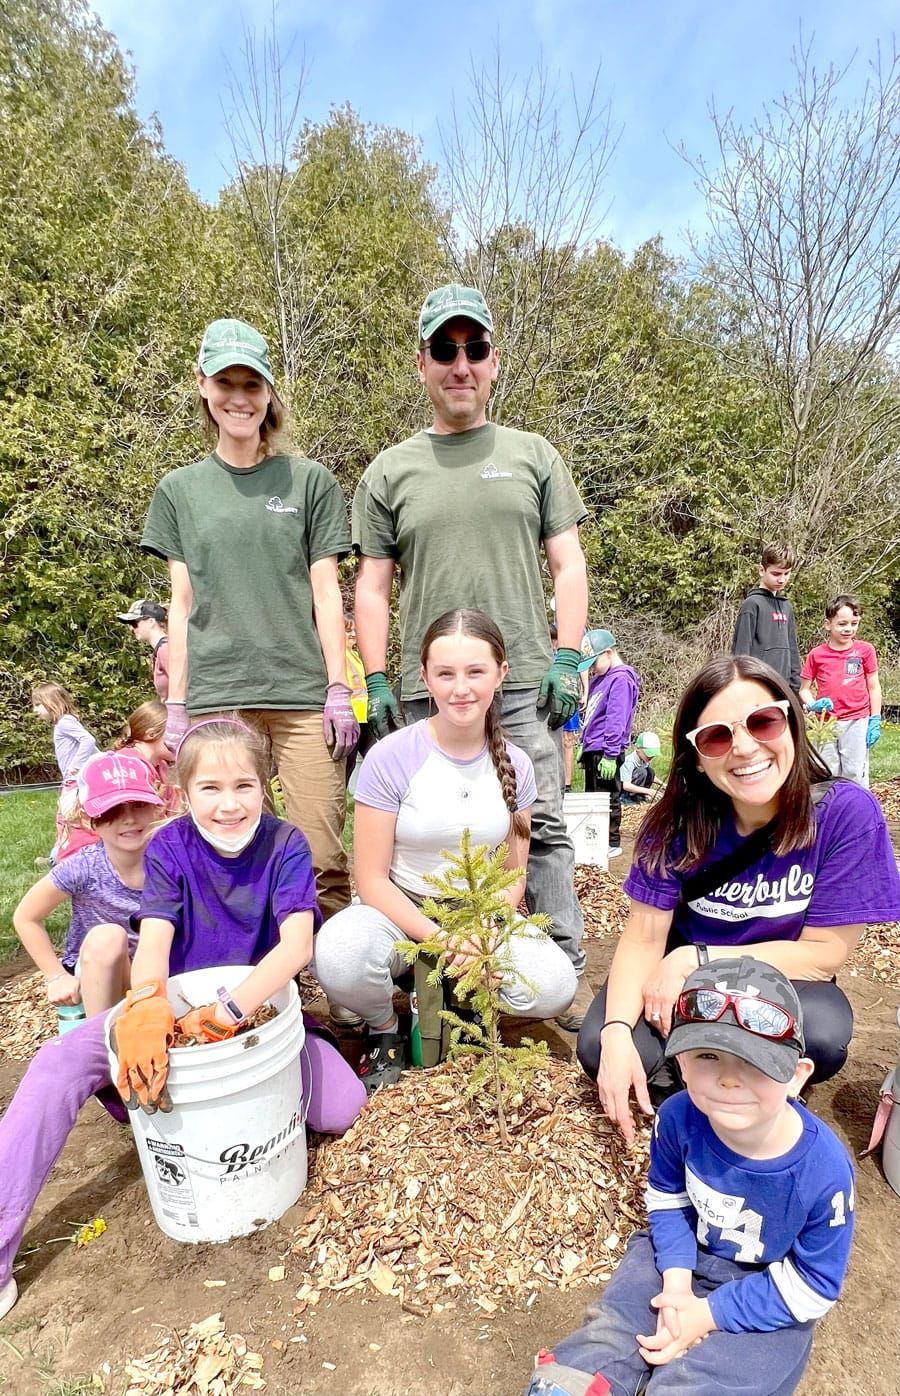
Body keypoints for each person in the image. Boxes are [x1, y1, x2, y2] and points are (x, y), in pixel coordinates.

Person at [0, 718, 366, 1322]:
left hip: (254, 1016)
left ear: (266, 782)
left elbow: (296, 945)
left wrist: (227, 1012)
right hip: (172, 1006)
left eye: (244, 786)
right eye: (210, 789)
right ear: (183, 791)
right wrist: (145, 1004)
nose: (229, 805)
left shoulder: (285, 845)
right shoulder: (170, 846)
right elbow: (156, 938)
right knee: (58, 1061)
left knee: (343, 1108)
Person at [353, 283, 591, 1030]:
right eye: (446, 350)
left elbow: (569, 565)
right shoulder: (391, 470)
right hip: (430, 692)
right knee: (426, 836)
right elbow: (373, 583)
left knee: (537, 825)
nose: (462, 364)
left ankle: (553, 977)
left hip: (519, 683)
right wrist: (379, 676)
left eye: (476, 349)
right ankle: (426, 978)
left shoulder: (533, 454)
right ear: (422, 362)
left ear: (493, 362)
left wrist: (568, 656)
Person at [576, 654, 900, 1143]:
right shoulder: (674, 823)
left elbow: (824, 953)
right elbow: (643, 938)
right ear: (697, 758)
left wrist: (698, 958)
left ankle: (741, 1087)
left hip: (778, 973)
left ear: (791, 721)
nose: (745, 748)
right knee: (604, 1047)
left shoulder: (844, 815)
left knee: (822, 1034)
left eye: (763, 721)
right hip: (674, 974)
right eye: (717, 737)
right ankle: (697, 1092)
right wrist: (618, 1030)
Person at [528, 957, 854, 1396]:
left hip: (771, 1284)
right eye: (707, 1055)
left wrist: (707, 1314)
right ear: (680, 1063)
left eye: (754, 1062)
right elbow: (667, 1200)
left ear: (796, 1076)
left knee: (718, 1375)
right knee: (616, 1325)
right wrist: (677, 1285)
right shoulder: (677, 1117)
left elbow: (813, 1287)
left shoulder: (826, 1172)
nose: (728, 1079)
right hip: (680, 1249)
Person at [140, 318, 358, 921]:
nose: (239, 397)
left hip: (302, 695)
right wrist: (178, 706)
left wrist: (339, 688)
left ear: (269, 393)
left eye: (252, 384)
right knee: (225, 853)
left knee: (321, 854)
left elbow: (325, 591)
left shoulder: (309, 481)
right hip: (219, 698)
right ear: (203, 387)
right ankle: (245, 988)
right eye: (226, 382)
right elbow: (181, 604)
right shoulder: (180, 490)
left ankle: (336, 992)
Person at [314, 609, 578, 1090]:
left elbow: (514, 875)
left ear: (501, 674)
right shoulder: (390, 757)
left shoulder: (517, 763)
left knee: (556, 986)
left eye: (476, 671)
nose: (462, 688)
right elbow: (370, 879)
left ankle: (465, 1001)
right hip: (400, 906)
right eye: (446, 673)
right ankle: (384, 1029)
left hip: (480, 911)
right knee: (339, 954)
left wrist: (480, 934)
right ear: (424, 678)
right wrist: (440, 939)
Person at [12, 752, 161, 1019]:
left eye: (138, 804)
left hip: (155, 969)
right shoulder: (85, 867)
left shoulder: (171, 860)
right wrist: (55, 976)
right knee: (108, 937)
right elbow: (26, 917)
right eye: (112, 810)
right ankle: (99, 1043)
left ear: (156, 807)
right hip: (101, 974)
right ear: (88, 818)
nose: (128, 819)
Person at [799, 594, 881, 787]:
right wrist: (813, 705)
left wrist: (875, 718)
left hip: (857, 720)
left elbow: (874, 686)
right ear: (828, 624)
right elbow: (804, 689)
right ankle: (830, 810)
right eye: (842, 624)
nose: (848, 629)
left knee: (854, 771)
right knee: (827, 770)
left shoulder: (865, 651)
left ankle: (857, 810)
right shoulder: (816, 655)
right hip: (826, 723)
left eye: (854, 623)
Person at [577, 630, 640, 857]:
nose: (592, 668)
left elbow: (616, 718)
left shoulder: (621, 679)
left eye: (594, 662)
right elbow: (594, 715)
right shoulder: (599, 679)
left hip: (606, 750)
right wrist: (583, 744)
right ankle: (594, 841)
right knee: (593, 798)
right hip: (593, 747)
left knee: (607, 798)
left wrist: (611, 755)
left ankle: (610, 841)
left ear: (608, 653)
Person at [31, 682, 99, 862]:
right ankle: (61, 853)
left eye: (38, 704)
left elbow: (88, 740)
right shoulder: (64, 722)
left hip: (74, 781)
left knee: (66, 816)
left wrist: (75, 767)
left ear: (52, 702)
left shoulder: (65, 723)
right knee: (67, 816)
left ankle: (60, 856)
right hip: (74, 780)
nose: (34, 710)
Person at [732, 542, 800, 692]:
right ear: (762, 570)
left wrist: (795, 688)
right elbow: (741, 653)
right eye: (776, 574)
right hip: (757, 688)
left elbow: (792, 650)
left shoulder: (786, 607)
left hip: (784, 688)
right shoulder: (751, 604)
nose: (782, 579)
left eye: (786, 573)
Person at [114, 699, 181, 814]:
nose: (183, 740)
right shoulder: (128, 766)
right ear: (151, 734)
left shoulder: (161, 765)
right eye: (175, 734)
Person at [115, 598, 170, 699]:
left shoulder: (165, 649)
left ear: (151, 621)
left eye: (134, 623)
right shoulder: (160, 649)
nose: (131, 628)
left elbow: (185, 685)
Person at [551, 622, 580, 791]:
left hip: (568, 696)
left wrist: (584, 692)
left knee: (567, 741)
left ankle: (567, 782)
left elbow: (580, 669)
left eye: (554, 639)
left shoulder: (567, 653)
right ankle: (555, 780)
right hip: (552, 700)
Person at [620, 731, 662, 804]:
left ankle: (640, 797)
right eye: (648, 753)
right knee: (642, 771)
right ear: (638, 749)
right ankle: (627, 798)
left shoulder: (644, 760)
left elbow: (651, 776)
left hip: (637, 788)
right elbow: (625, 785)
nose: (651, 757)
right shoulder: (629, 762)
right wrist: (649, 791)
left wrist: (662, 784)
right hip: (625, 791)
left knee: (650, 771)